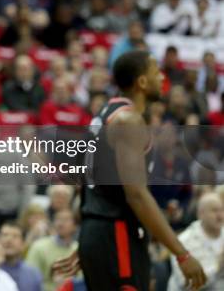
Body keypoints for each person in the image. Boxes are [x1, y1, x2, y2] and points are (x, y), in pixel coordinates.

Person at [53, 50, 207, 290]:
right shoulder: (128, 121)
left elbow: (89, 185)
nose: (162, 78)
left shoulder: (104, 115)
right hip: (117, 234)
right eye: (156, 72)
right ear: (142, 82)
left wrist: (90, 239)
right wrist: (182, 254)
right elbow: (136, 195)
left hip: (102, 232)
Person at [167, 192, 224, 290]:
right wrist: (219, 267)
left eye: (222, 210)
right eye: (214, 211)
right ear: (200, 214)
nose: (220, 216)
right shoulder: (183, 242)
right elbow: (186, 284)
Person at [25, 209, 78, 291]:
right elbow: (29, 278)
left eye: (66, 220)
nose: (60, 223)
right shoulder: (38, 246)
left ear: (75, 226)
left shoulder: (78, 249)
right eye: (58, 219)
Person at [0, 221, 42, 291]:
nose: (8, 240)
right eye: (5, 235)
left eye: (15, 236)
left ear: (23, 244)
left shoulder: (33, 274)